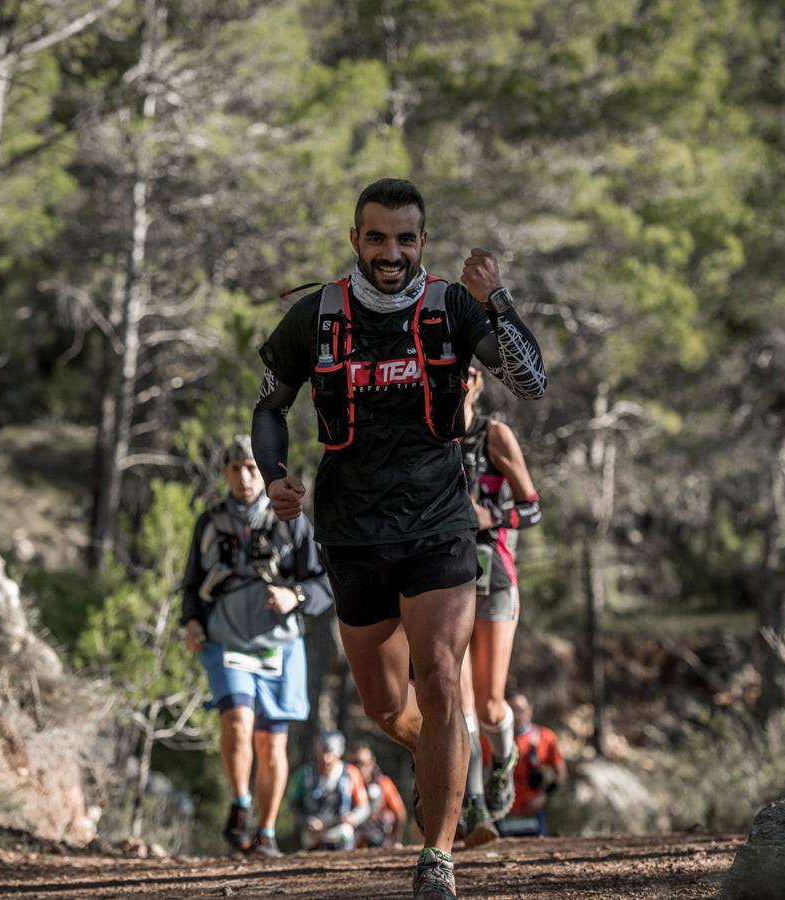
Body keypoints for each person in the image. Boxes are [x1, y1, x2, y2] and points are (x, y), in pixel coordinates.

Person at [252, 178, 547, 899]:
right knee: (387, 709)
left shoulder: (450, 308)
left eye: (405, 239)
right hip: (352, 531)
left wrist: (497, 299)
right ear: (357, 240)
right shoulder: (317, 316)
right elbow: (269, 403)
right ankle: (451, 765)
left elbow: (532, 380)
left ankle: (436, 856)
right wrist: (274, 473)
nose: (391, 252)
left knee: (442, 680)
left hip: (439, 525)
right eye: (377, 238)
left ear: (423, 242)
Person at [181, 436, 333, 858]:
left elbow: (323, 584)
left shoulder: (291, 521)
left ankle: (265, 832)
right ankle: (242, 804)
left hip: (280, 646)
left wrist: (294, 596)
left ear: (265, 472)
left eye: (253, 468)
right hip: (226, 638)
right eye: (236, 469)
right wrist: (192, 621)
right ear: (225, 473)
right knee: (237, 722)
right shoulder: (209, 522)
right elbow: (192, 584)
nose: (245, 477)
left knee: (272, 745)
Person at [455, 367, 543, 847]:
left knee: (490, 703)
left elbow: (532, 506)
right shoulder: (426, 434)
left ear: (477, 382)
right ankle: (475, 806)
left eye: (467, 373)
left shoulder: (494, 434)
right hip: (445, 583)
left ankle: (502, 760)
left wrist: (492, 514)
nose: (458, 380)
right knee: (460, 702)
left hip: (495, 577)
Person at [482, 693, 566, 838]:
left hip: (531, 812)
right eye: (512, 710)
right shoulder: (490, 740)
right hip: (500, 813)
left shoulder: (545, 737)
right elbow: (478, 772)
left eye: (520, 710)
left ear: (529, 711)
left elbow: (561, 774)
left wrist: (543, 796)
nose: (516, 715)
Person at [288, 730, 371, 850]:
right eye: (323, 753)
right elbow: (294, 805)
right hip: (314, 836)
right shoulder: (305, 774)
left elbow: (364, 806)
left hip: (341, 833)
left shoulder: (350, 773)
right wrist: (306, 820)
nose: (326, 759)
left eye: (330, 754)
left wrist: (354, 817)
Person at [350, 743, 407, 848]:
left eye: (363, 763)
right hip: (353, 842)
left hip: (381, 841)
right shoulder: (346, 785)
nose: (360, 768)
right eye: (355, 764)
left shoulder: (384, 783)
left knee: (387, 817)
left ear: (372, 762)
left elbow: (400, 814)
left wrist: (396, 841)